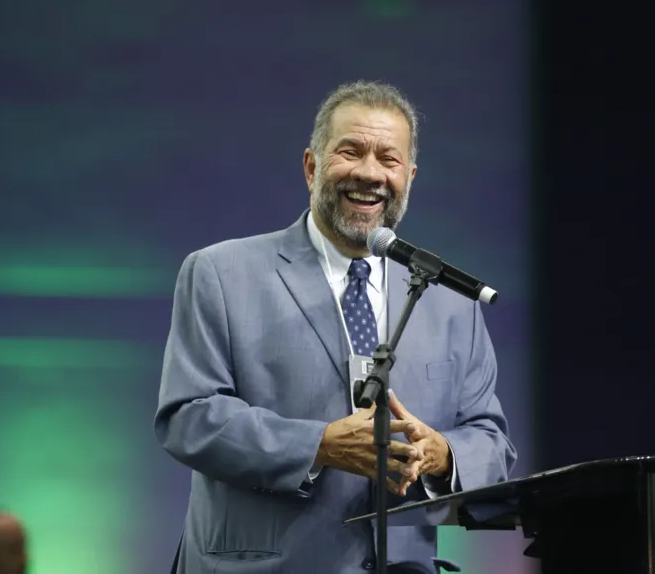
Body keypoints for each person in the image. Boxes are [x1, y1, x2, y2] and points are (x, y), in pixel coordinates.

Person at [155, 81, 516, 573]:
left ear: (408, 177)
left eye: (388, 159)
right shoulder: (221, 272)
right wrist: (317, 445)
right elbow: (188, 417)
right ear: (312, 167)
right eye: (351, 152)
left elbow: (490, 439)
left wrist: (442, 454)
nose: (370, 173)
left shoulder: (449, 300)